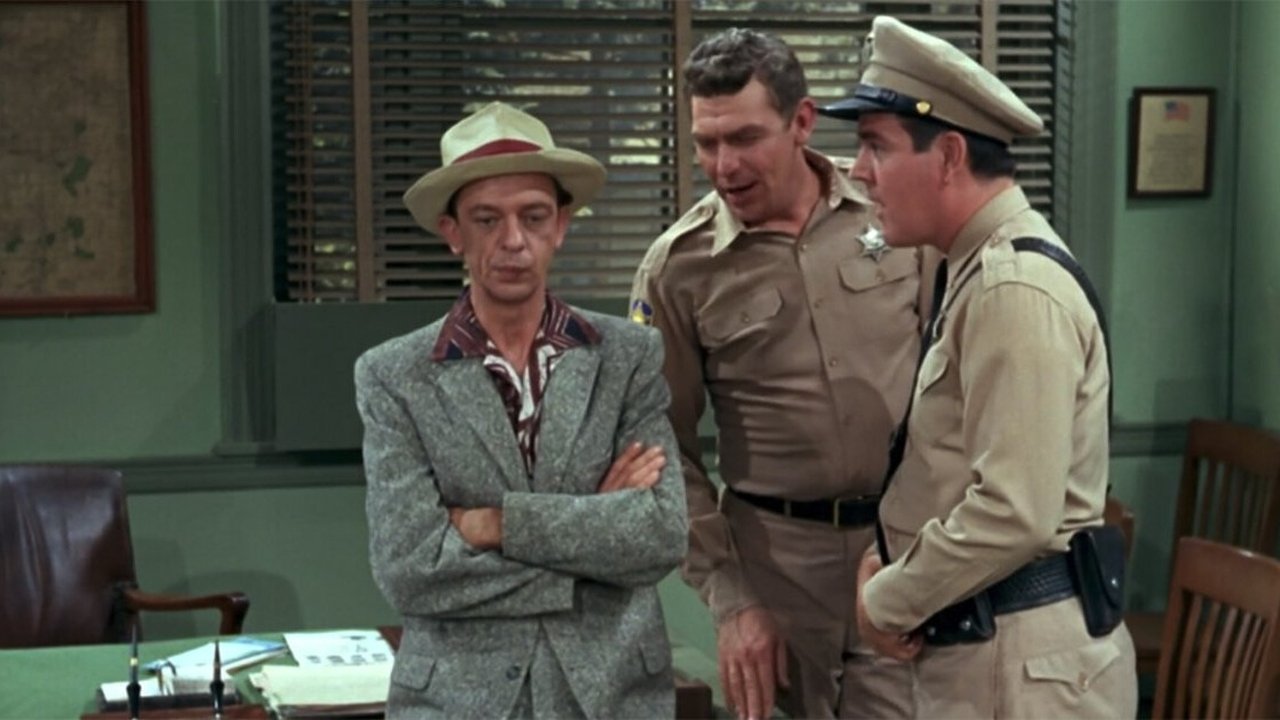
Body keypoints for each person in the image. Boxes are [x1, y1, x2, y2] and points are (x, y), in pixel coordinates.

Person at [818, 15, 1138, 719]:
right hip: (992, 651)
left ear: (949, 155)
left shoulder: (1011, 286)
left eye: (876, 146)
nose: (859, 171)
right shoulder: (970, 268)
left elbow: (1014, 512)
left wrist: (888, 598)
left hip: (1019, 669)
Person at [631, 28, 933, 720]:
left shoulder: (891, 213)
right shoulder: (679, 267)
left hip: (905, 553)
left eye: (745, 138)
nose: (724, 165)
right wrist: (731, 598)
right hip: (776, 575)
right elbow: (659, 448)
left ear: (802, 122)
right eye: (707, 143)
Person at [355, 102, 689, 719]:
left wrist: (495, 524)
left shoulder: (628, 356)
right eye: (487, 219)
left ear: (560, 225)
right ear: (453, 232)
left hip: (610, 695)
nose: (513, 241)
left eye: (533, 217)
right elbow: (410, 567)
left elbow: (658, 536)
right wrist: (591, 541)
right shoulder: (393, 375)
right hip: (457, 702)